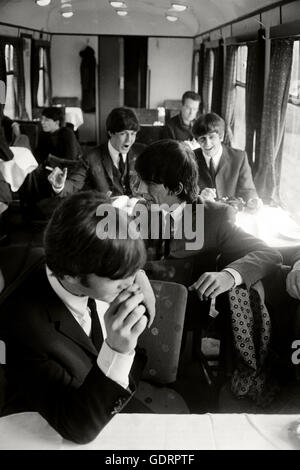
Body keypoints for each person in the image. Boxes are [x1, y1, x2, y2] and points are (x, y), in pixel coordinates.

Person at [1, 191, 156, 444]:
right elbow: (77, 428)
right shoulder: (22, 329)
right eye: (119, 277)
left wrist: (135, 270)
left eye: (133, 272)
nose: (130, 284)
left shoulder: (78, 258)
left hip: (115, 394)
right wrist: (117, 350)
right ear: (73, 275)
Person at [135, 139, 281, 302]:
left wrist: (229, 276)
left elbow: (270, 254)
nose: (139, 190)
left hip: (190, 311)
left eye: (149, 183)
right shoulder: (143, 210)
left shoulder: (216, 217)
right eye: (141, 180)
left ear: (176, 188)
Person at [192, 113, 261, 208]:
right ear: (197, 140)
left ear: (221, 136)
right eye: (202, 139)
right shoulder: (190, 158)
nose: (207, 144)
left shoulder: (239, 158)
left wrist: (251, 200)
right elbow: (183, 193)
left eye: (212, 137)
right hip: (201, 214)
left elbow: (247, 190)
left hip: (230, 213)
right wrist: (199, 197)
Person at [83, 107, 144, 197]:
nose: (129, 140)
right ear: (111, 132)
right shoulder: (91, 157)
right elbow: (73, 185)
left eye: (133, 134)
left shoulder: (142, 153)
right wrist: (58, 186)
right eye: (123, 134)